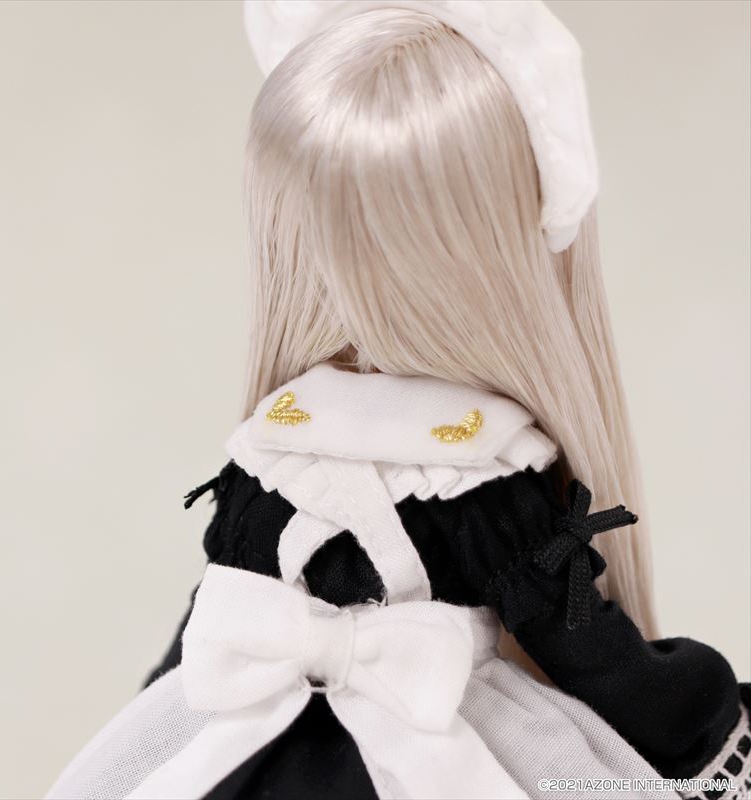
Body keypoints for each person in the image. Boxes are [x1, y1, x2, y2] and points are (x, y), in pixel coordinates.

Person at [46, 3, 749, 799]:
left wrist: (152, 724)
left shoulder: (287, 463)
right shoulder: (473, 483)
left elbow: (205, 634)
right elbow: (589, 652)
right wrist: (693, 720)